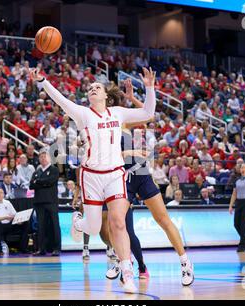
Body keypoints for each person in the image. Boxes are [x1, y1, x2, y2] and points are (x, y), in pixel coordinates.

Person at [28, 66, 156, 293]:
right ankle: (79, 221)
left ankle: (127, 273)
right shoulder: (82, 114)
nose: (93, 89)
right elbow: (59, 99)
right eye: (90, 88)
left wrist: (149, 88)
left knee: (118, 222)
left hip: (116, 174)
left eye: (97, 87)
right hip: (92, 177)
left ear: (106, 95)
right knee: (95, 227)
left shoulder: (118, 113)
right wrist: (42, 81)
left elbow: (147, 113)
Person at [103, 79, 193, 284]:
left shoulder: (122, 120)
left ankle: (185, 263)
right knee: (116, 224)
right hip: (121, 178)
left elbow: (147, 113)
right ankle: (123, 262)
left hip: (140, 172)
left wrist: (133, 97)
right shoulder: (100, 126)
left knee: (163, 220)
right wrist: (129, 151)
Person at [29, 149, 61, 256]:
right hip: (39, 202)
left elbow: (50, 181)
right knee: (40, 226)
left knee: (54, 225)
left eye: (45, 156)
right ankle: (41, 249)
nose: (43, 158)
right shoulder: (36, 172)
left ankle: (56, 248)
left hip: (51, 201)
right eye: (41, 157)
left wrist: (38, 182)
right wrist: (43, 182)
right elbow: (31, 185)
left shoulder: (54, 170)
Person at [0, 187, 29, 255]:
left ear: (4, 194)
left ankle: (23, 248)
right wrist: (5, 217)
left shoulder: (7, 202)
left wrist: (19, 220)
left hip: (8, 225)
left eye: (1, 193)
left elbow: (14, 214)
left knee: (25, 223)